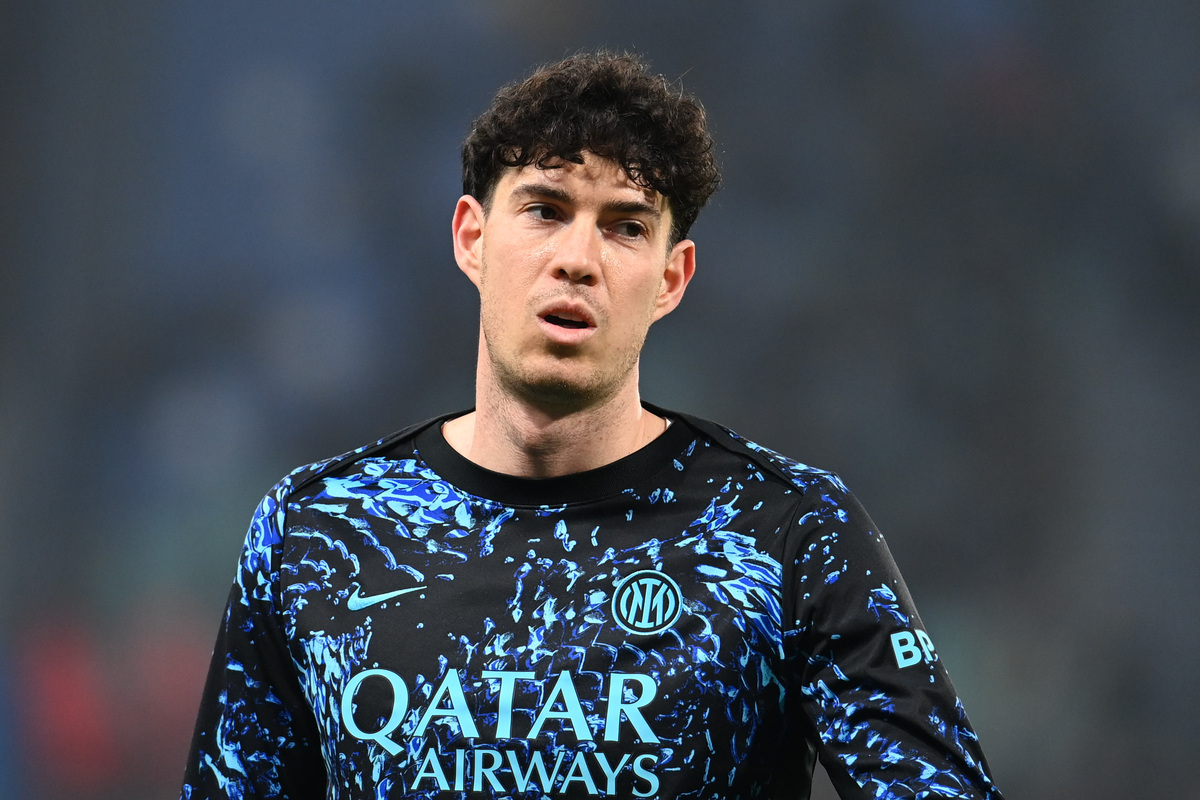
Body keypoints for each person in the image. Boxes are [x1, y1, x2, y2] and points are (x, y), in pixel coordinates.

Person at [181, 51, 1004, 800]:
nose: (578, 258)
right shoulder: (315, 532)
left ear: (671, 279)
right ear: (472, 238)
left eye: (626, 226)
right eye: (545, 209)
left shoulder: (788, 533)